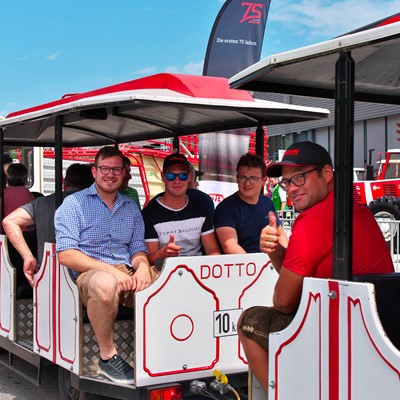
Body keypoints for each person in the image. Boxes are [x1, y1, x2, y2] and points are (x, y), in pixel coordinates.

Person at [238, 141, 394, 395]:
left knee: (249, 321)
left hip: (341, 336)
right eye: (287, 182)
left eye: (299, 178)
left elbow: (284, 301)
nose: (291, 189)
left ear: (327, 174)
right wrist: (278, 251)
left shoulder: (312, 220)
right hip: (377, 330)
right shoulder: (360, 212)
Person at [55, 146, 152, 385]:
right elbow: (66, 254)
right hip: (91, 273)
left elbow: (137, 246)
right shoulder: (73, 204)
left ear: (123, 172)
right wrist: (110, 271)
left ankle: (161, 350)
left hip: (127, 269)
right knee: (105, 283)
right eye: (105, 169)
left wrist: (142, 267)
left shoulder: (130, 207)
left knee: (170, 282)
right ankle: (108, 357)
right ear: (94, 171)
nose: (111, 174)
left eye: (116, 169)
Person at [2, 163, 94, 286]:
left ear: (65, 182)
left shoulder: (40, 202)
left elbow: (9, 221)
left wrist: (28, 256)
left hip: (45, 277)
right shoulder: (95, 203)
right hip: (84, 277)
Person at [141, 153, 220, 265]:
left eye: (182, 175)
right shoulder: (149, 213)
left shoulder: (201, 208)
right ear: (163, 177)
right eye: (171, 176)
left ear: (189, 177)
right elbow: (149, 259)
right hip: (164, 272)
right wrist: (162, 253)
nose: (177, 181)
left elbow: (212, 250)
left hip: (197, 270)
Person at [214, 153, 287, 254]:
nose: (247, 183)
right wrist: (255, 267)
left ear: (263, 181)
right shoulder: (225, 208)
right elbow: (230, 246)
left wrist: (287, 259)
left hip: (269, 263)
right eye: (243, 177)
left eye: (253, 178)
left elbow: (281, 234)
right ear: (237, 178)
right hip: (242, 266)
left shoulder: (267, 203)